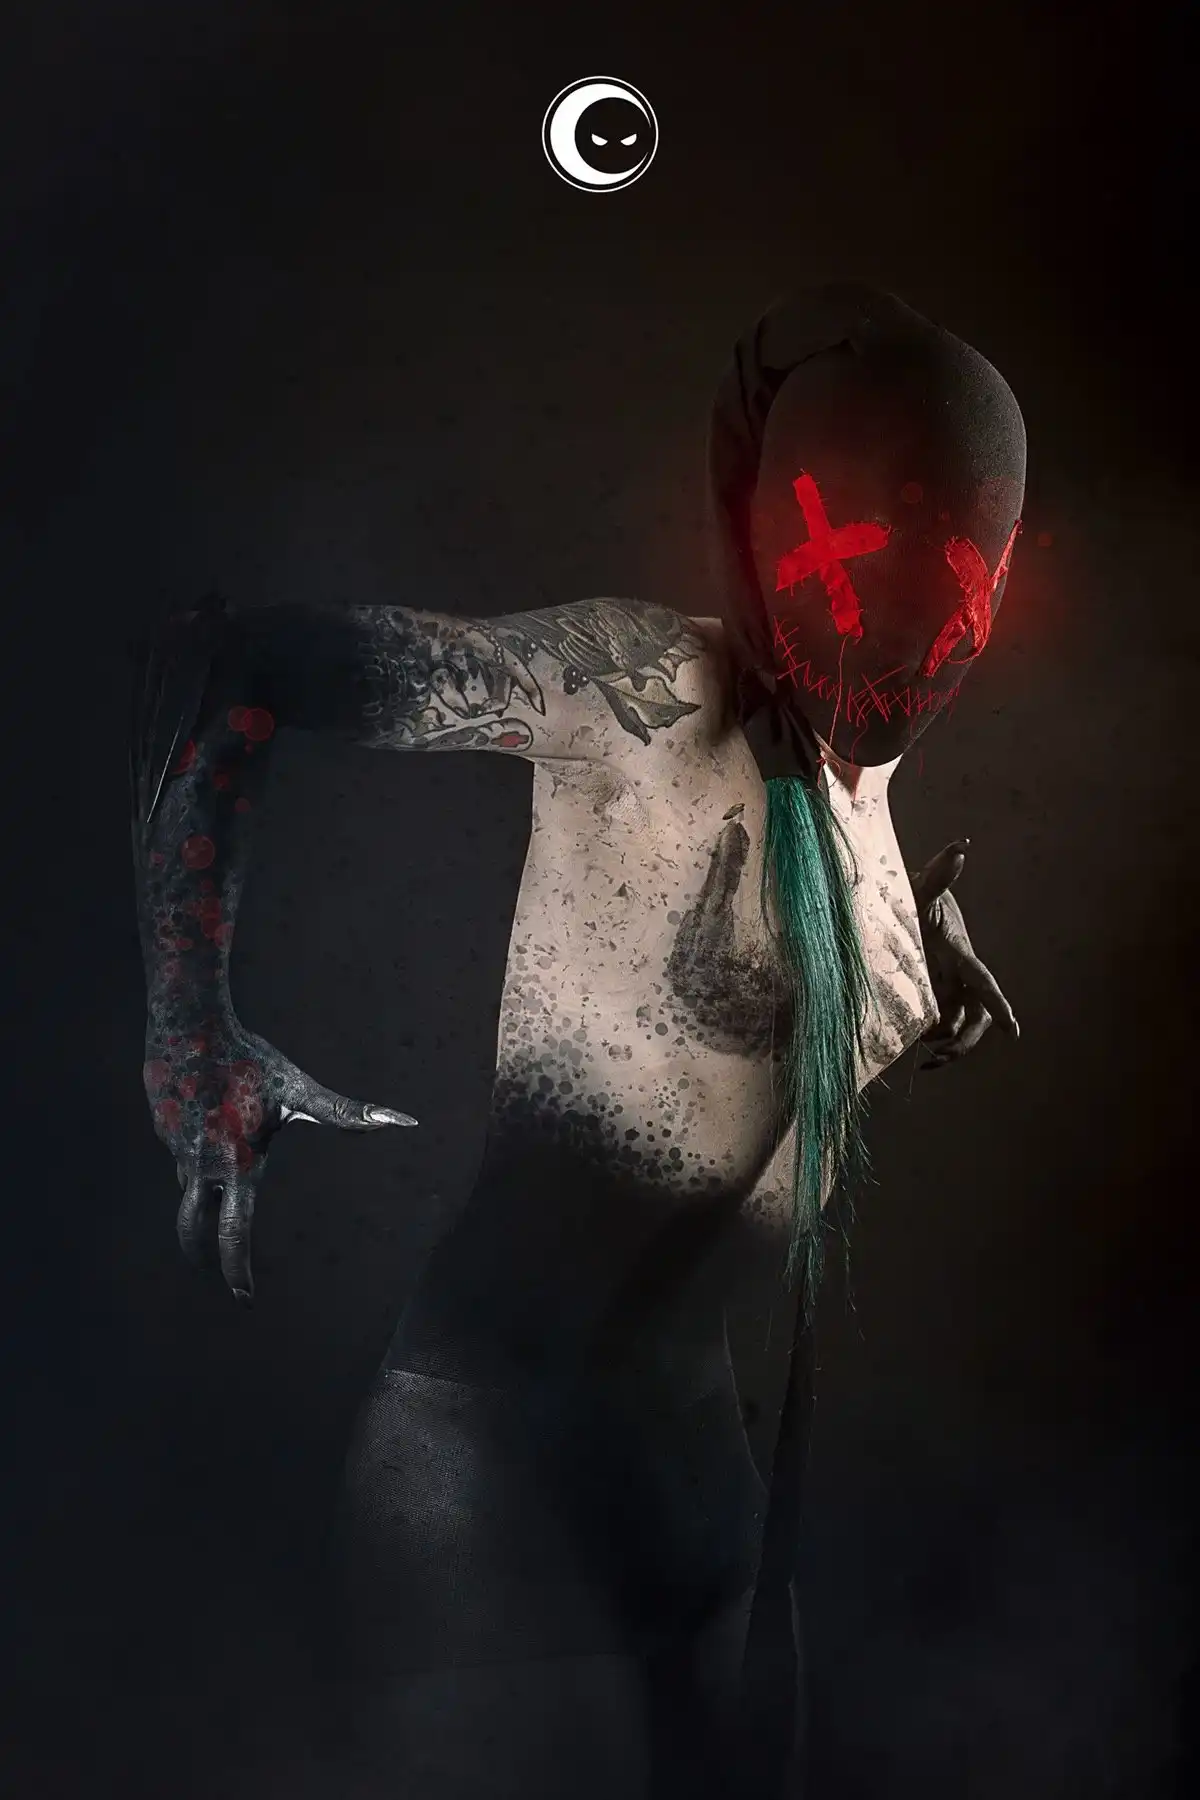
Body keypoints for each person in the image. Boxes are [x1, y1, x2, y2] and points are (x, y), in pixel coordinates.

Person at [130, 284, 1025, 1799]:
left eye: (960, 580)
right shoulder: (640, 692)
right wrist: (187, 1029)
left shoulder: (866, 796)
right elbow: (237, 670)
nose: (917, 632)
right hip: (496, 1462)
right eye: (880, 548)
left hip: (702, 1465)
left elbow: (769, 999)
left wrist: (912, 960)